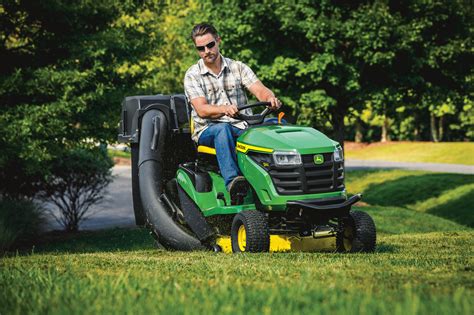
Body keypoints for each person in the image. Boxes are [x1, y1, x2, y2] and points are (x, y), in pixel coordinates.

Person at [184, 23, 281, 201]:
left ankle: (283, 179)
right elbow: (202, 109)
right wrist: (223, 109)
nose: (207, 51)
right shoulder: (192, 75)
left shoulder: (238, 67)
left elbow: (260, 90)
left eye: (210, 45)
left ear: (218, 41)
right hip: (208, 130)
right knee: (223, 129)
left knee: (275, 126)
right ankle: (234, 182)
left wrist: (270, 98)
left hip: (242, 126)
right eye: (201, 48)